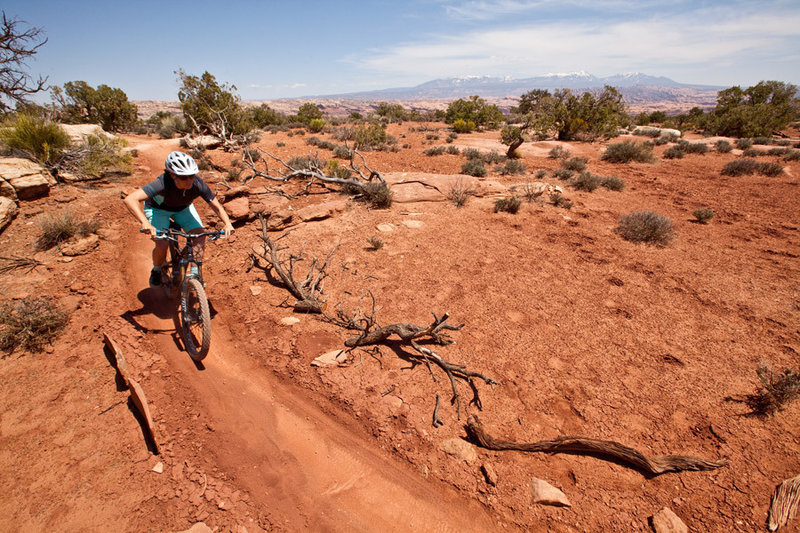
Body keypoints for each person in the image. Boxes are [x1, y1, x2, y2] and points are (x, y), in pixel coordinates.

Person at [124, 151, 235, 286]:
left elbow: (216, 206)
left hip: (183, 209)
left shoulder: (198, 184)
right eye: (183, 177)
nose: (189, 181)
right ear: (172, 175)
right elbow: (130, 199)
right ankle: (157, 269)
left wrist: (228, 223)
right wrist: (145, 223)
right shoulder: (162, 183)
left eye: (191, 176)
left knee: (199, 236)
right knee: (162, 243)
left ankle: (195, 274)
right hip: (158, 210)